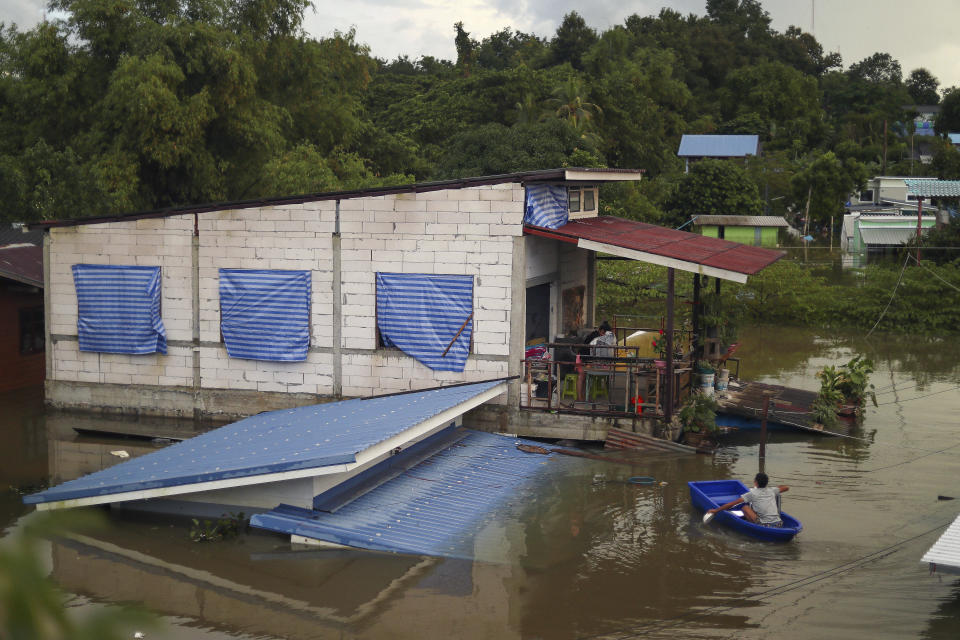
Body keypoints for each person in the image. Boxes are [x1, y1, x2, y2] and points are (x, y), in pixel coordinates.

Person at [707, 472, 789, 527]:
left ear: (755, 482)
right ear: (766, 483)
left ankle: (752, 525)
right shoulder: (772, 490)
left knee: (745, 507)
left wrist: (716, 510)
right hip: (779, 523)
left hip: (766, 525)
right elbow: (786, 487)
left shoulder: (752, 493)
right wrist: (776, 488)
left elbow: (731, 504)